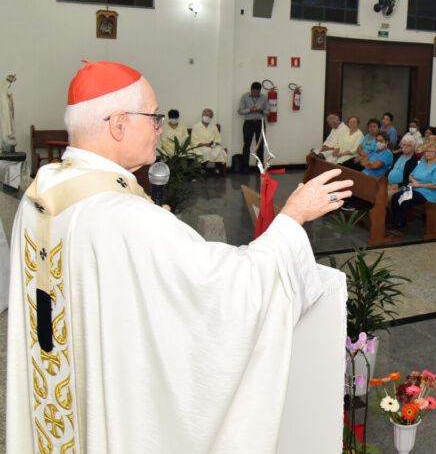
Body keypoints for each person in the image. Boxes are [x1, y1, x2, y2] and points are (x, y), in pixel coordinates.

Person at [8, 61, 352, 454]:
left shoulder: (42, 190)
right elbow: (231, 292)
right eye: (153, 117)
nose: (159, 127)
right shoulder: (125, 219)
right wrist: (293, 218)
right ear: (119, 124)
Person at [389, 142, 436, 231]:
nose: (428, 153)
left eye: (431, 151)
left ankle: (397, 226)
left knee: (405, 199)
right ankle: (399, 222)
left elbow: (434, 185)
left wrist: (419, 185)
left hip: (429, 193)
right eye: (427, 151)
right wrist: (414, 181)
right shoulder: (422, 163)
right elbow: (410, 175)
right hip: (414, 189)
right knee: (395, 197)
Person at [237, 81, 270, 171]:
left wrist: (261, 110)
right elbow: (240, 111)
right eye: (254, 92)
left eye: (257, 92)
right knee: (247, 144)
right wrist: (249, 110)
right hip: (249, 123)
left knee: (260, 145)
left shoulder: (263, 98)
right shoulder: (244, 97)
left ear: (259, 91)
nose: (255, 93)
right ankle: (245, 166)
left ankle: (259, 166)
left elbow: (268, 111)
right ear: (251, 90)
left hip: (260, 122)